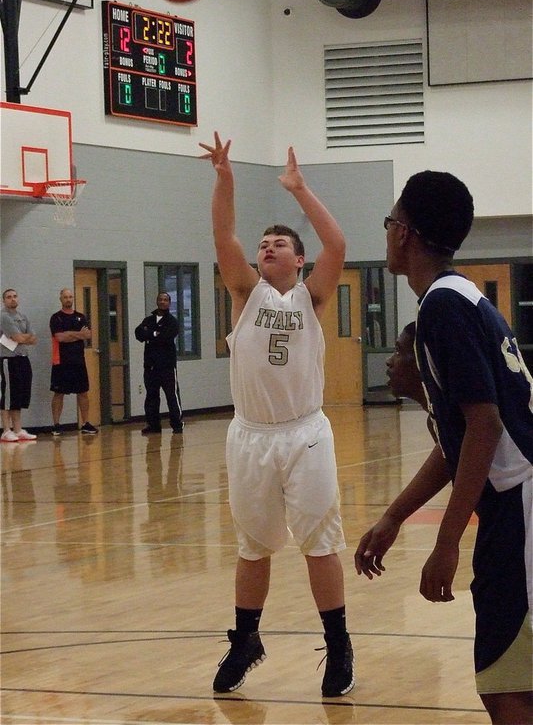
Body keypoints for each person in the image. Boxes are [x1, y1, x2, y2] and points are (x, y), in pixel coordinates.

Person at [355, 171, 533, 725]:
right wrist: (393, 517)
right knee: (513, 677)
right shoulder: (459, 297)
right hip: (517, 506)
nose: (387, 234)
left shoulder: (441, 308)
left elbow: (485, 425)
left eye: (389, 223)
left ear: (404, 232)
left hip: (520, 509)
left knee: (507, 687)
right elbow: (458, 440)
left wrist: (448, 543)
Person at [199, 132, 354, 697]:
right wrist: (225, 179)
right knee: (253, 546)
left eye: (278, 244)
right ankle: (246, 641)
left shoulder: (312, 298)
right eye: (262, 243)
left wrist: (300, 189)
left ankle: (338, 646)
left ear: (298, 258)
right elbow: (223, 234)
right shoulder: (245, 292)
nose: (266, 249)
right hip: (250, 437)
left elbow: (337, 243)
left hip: (305, 434)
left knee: (319, 540)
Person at [50, 288, 98, 436]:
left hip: (78, 361)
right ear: (61, 299)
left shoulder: (81, 317)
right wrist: (78, 334)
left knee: (83, 392)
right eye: (65, 297)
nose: (68, 299)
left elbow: (88, 334)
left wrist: (70, 334)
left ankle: (85, 423)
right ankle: (56, 425)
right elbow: (60, 338)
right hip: (61, 361)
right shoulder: (56, 318)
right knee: (59, 393)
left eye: (70, 297)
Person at [134, 292, 183, 434]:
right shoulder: (148, 320)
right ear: (157, 302)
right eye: (160, 299)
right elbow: (139, 334)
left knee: (171, 396)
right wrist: (154, 333)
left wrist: (150, 334)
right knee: (151, 397)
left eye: (166, 300)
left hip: (167, 367)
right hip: (150, 367)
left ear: (169, 303)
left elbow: (166, 337)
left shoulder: (172, 322)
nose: (163, 302)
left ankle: (177, 424)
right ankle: (153, 425)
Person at [0, 289, 38, 442]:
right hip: (9, 359)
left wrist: (23, 338)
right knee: (8, 395)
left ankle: (17, 429)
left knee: (19, 394)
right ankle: (6, 430)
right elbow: (17, 337)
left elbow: (33, 338)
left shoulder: (23, 317)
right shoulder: (3, 317)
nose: (12, 299)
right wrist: (23, 337)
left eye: (15, 296)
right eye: (9, 297)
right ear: (4, 301)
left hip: (23, 358)